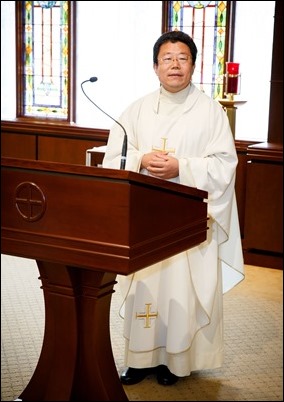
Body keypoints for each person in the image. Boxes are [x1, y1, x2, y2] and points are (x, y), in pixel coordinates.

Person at [102, 30, 244, 386]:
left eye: (182, 58)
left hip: (188, 222)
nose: (175, 65)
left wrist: (183, 167)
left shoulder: (210, 113)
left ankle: (175, 364)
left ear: (193, 66)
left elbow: (225, 164)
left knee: (181, 289)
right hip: (145, 220)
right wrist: (140, 159)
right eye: (167, 58)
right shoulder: (135, 111)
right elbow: (113, 158)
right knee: (144, 290)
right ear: (155, 66)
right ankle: (139, 361)